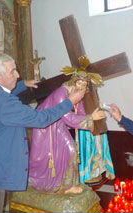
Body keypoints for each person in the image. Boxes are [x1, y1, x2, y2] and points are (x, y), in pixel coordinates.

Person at [0, 53, 87, 213]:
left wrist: (22, 85)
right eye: (12, 72)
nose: (18, 75)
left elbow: (2, 96)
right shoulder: (3, 104)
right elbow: (40, 119)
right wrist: (69, 102)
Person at [28, 60, 109, 194]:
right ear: (73, 81)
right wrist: (90, 119)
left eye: (84, 85)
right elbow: (69, 118)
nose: (81, 87)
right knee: (49, 158)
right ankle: (49, 185)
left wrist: (92, 118)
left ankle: (67, 185)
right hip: (46, 127)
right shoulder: (62, 93)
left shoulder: (77, 96)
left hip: (57, 125)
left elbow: (81, 112)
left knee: (70, 150)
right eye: (79, 83)